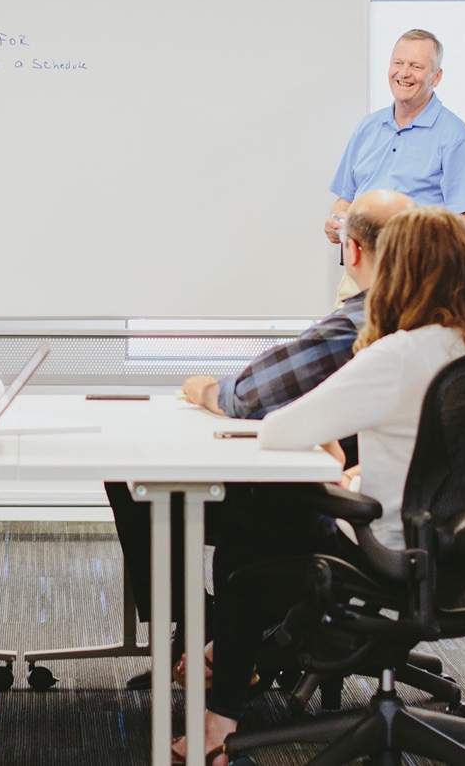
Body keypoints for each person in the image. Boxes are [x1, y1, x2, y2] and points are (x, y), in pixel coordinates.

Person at [172, 206, 465, 765]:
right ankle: (262, 648)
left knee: (253, 529)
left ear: (398, 269)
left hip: (394, 548)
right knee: (279, 518)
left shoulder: (398, 353)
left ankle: (221, 714)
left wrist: (331, 451)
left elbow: (278, 428)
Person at [105, 189, 413, 689]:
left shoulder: (362, 321)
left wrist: (202, 389)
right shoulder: (445, 320)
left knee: (140, 480)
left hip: (339, 507)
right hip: (414, 509)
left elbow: (248, 396)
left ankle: (218, 642)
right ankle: (216, 634)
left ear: (351, 249)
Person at [324, 29, 465, 303]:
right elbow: (345, 200)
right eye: (398, 63)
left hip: (418, 281)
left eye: (417, 66)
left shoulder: (457, 138)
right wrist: (337, 221)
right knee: (346, 346)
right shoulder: (367, 128)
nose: (404, 73)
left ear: (436, 77)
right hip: (358, 279)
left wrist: (411, 243)